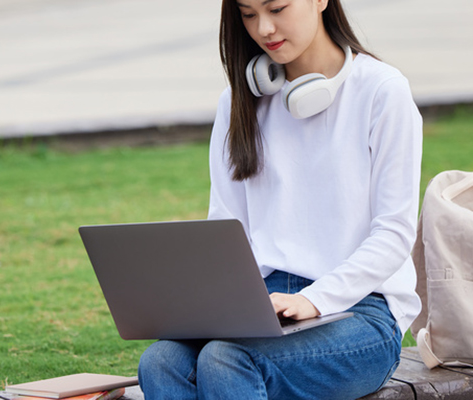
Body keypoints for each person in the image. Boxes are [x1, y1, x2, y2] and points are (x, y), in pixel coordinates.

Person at [138, 0, 422, 398]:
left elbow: (394, 233)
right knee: (161, 361)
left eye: (277, 8)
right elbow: (227, 229)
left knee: (226, 359)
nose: (264, 29)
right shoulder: (238, 102)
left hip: (362, 310)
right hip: (264, 303)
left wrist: (314, 299)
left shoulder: (382, 91)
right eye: (249, 14)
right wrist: (210, 304)